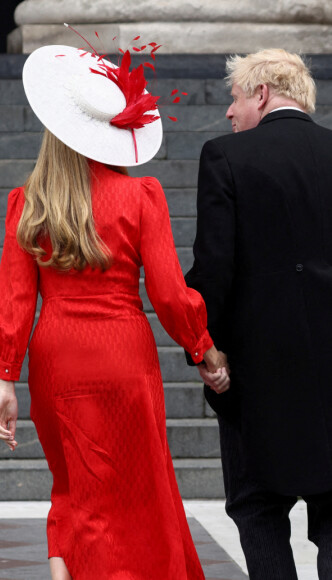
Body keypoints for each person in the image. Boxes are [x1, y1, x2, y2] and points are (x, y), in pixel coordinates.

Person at [0, 38, 228, 579]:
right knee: (140, 488)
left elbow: (15, 298)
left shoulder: (28, 202)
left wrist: (5, 379)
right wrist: (204, 349)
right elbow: (168, 293)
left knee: (73, 484)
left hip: (57, 355)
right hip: (124, 350)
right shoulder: (142, 195)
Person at [185, 48, 332, 579]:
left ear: (263, 93)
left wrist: (203, 345)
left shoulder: (226, 157)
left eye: (236, 97)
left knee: (256, 506)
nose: (229, 111)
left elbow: (214, 267)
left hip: (258, 371)